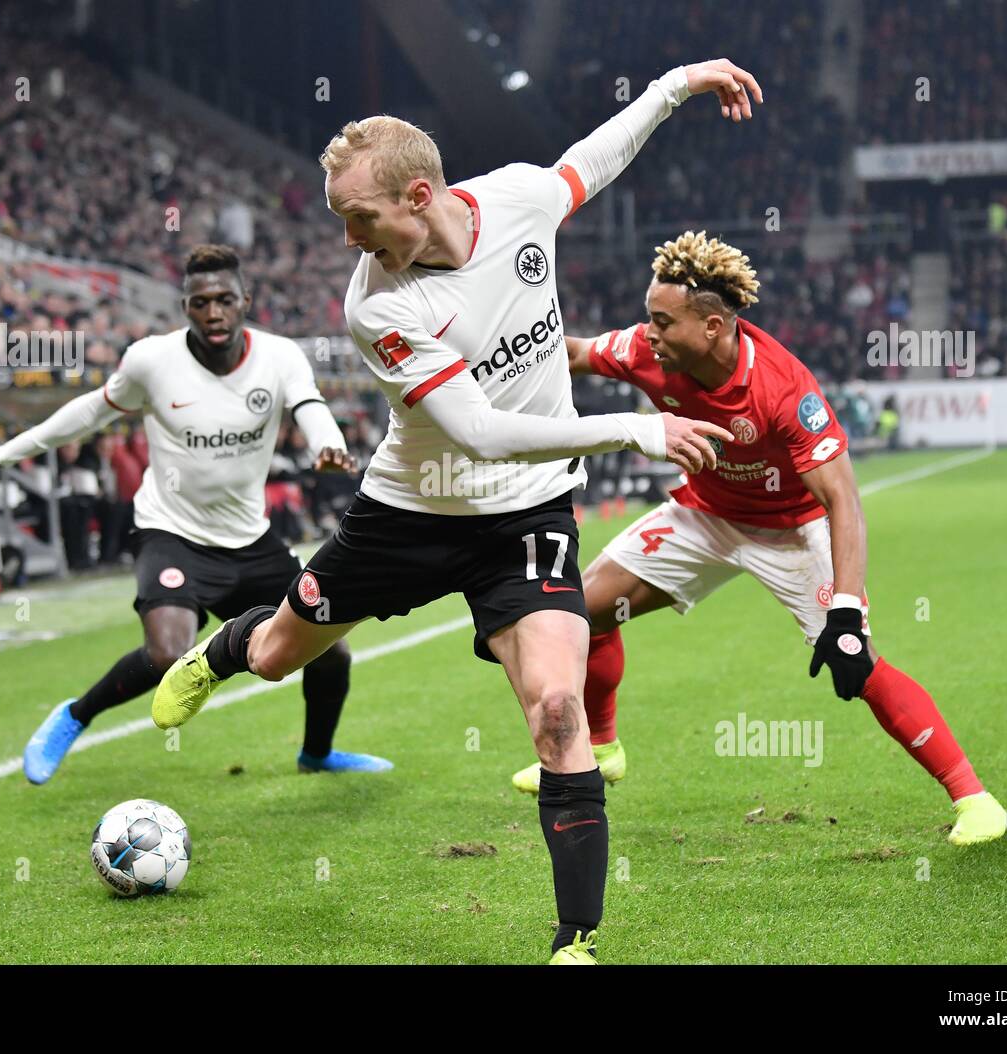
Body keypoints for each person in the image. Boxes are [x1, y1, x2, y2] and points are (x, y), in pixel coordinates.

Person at [151, 60, 762, 964]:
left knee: (557, 710)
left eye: (360, 217)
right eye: (339, 219)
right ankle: (222, 652)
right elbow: (478, 431)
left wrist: (675, 86)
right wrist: (633, 429)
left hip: (524, 518)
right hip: (410, 512)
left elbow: (597, 157)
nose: (350, 238)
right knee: (280, 656)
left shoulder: (517, 201)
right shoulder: (378, 301)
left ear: (421, 195)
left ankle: (575, 941)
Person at [505, 231, 1007, 848]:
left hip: (792, 533)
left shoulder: (781, 388)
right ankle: (603, 746)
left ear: (713, 326)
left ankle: (974, 798)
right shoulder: (645, 350)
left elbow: (843, 501)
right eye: (649, 319)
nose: (650, 332)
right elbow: (576, 352)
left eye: (663, 321)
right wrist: (500, 341)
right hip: (704, 515)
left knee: (858, 664)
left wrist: (846, 612)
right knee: (580, 613)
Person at [0, 244, 391, 784]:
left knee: (328, 650)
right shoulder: (151, 361)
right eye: (201, 302)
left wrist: (329, 443)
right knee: (168, 654)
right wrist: (3, 452)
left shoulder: (279, 357)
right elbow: (90, 411)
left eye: (225, 300)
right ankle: (74, 716)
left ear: (245, 301)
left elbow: (310, 406)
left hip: (250, 539)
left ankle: (317, 753)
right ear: (185, 305)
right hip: (170, 531)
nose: (214, 313)